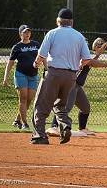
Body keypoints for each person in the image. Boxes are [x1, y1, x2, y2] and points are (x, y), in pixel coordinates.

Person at [31, 8, 91, 145]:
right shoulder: (79, 36)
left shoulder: (52, 33)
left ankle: (40, 136)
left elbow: (42, 55)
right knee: (60, 105)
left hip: (53, 73)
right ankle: (65, 127)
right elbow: (86, 59)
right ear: (72, 22)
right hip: (70, 76)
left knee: (41, 105)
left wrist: (36, 63)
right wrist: (79, 65)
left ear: (58, 21)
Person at [45, 37, 107, 137]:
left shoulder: (83, 54)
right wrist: (104, 64)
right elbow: (90, 63)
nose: (85, 45)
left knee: (85, 107)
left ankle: (82, 128)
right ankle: (54, 127)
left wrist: (97, 55)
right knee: (66, 107)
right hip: (72, 84)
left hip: (77, 86)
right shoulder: (76, 53)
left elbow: (88, 63)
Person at [2, 25, 40, 130]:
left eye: (28, 32)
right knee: (23, 98)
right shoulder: (17, 47)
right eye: (24, 32)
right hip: (20, 74)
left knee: (29, 100)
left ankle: (17, 119)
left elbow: (41, 57)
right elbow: (10, 63)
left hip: (33, 75)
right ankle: (24, 123)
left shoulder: (36, 44)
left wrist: (44, 66)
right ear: (20, 34)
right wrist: (5, 78)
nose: (27, 34)